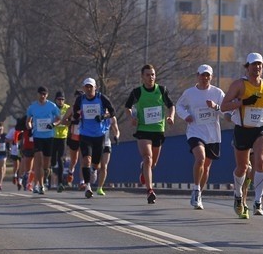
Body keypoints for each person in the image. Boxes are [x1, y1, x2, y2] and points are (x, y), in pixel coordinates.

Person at [221, 53, 263, 219]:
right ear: (247, 67)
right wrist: (242, 102)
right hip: (243, 129)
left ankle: (258, 201)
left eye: (260, 65)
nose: (257, 68)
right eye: (253, 65)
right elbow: (224, 106)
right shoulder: (239, 85)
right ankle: (238, 195)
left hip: (260, 128)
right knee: (243, 168)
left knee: (261, 161)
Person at [175, 64, 225, 210]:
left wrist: (216, 107)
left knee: (207, 166)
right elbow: (179, 106)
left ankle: (198, 194)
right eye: (202, 75)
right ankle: (196, 188)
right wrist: (186, 116)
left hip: (212, 134)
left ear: (212, 77)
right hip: (195, 131)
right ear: (197, 76)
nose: (205, 78)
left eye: (208, 75)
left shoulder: (217, 92)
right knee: (200, 158)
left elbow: (226, 110)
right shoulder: (190, 93)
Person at [124, 64, 176, 205]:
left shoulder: (161, 90)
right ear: (142, 77)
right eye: (147, 75)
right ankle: (150, 191)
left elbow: (171, 105)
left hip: (158, 130)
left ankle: (144, 171)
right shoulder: (137, 92)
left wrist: (171, 116)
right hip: (143, 130)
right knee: (147, 158)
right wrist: (132, 118)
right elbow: (127, 107)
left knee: (153, 163)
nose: (151, 77)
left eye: (152, 74)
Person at [66, 77, 115, 199]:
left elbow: (112, 112)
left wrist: (103, 116)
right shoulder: (80, 99)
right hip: (85, 134)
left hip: (99, 135)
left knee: (95, 163)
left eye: (90, 87)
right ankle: (87, 186)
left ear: (95, 88)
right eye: (86, 87)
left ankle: (93, 170)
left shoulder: (101, 98)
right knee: (86, 160)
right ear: (83, 88)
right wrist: (75, 118)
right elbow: (76, 112)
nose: (88, 89)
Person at [26, 86, 62, 195]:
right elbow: (28, 121)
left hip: (49, 137)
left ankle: (46, 173)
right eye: (40, 94)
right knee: (38, 161)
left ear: (47, 95)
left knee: (46, 164)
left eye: (44, 94)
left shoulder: (52, 106)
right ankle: (40, 185)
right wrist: (29, 126)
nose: (42, 96)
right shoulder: (32, 107)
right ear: (37, 94)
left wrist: (54, 124)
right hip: (37, 136)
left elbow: (59, 118)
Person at [93, 116, 120, 196]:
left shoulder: (112, 118)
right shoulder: (96, 115)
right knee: (97, 165)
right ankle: (94, 169)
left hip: (107, 144)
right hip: (96, 143)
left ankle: (100, 188)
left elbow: (117, 130)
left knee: (104, 166)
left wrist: (116, 136)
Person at [51, 91, 71, 191]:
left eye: (62, 99)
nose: (61, 101)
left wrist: (64, 122)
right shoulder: (51, 108)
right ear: (55, 100)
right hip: (53, 137)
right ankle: (48, 179)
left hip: (63, 137)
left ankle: (60, 183)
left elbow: (70, 122)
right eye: (59, 99)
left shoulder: (67, 108)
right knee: (52, 160)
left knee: (61, 159)